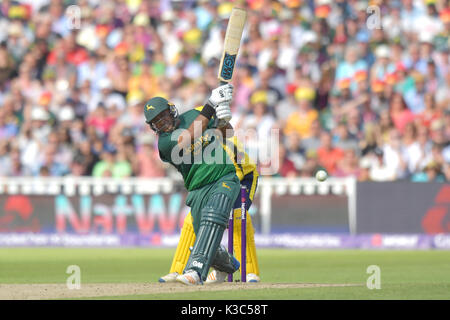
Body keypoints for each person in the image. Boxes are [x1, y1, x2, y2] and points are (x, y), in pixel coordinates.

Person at [144, 83, 257, 285]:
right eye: (156, 122)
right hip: (197, 188)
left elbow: (227, 134)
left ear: (171, 111)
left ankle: (195, 271)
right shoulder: (164, 142)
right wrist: (212, 103)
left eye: (163, 117)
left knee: (213, 217)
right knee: (205, 237)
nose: (162, 123)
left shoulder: (195, 114)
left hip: (223, 177)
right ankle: (229, 265)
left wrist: (222, 119)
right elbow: (187, 138)